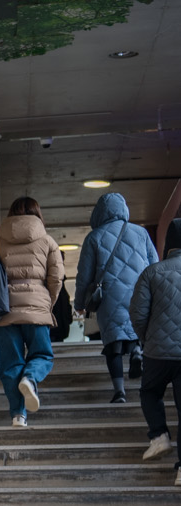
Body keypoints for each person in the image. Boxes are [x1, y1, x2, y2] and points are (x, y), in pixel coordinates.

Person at [0, 196, 64, 427]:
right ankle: (31, 377)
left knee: (10, 365)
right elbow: (56, 279)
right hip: (37, 310)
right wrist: (46, 303)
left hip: (4, 312)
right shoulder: (48, 242)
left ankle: (18, 414)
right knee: (42, 355)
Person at [76, 191, 160, 402]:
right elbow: (154, 264)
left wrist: (79, 304)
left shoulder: (93, 237)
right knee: (135, 330)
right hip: (138, 291)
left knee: (113, 343)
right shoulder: (140, 233)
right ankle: (137, 353)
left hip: (109, 296)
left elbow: (84, 276)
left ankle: (119, 392)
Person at [131, 219, 181, 482]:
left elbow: (138, 315)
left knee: (150, 392)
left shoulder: (153, 272)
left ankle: (159, 436)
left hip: (158, 352)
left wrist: (147, 339)